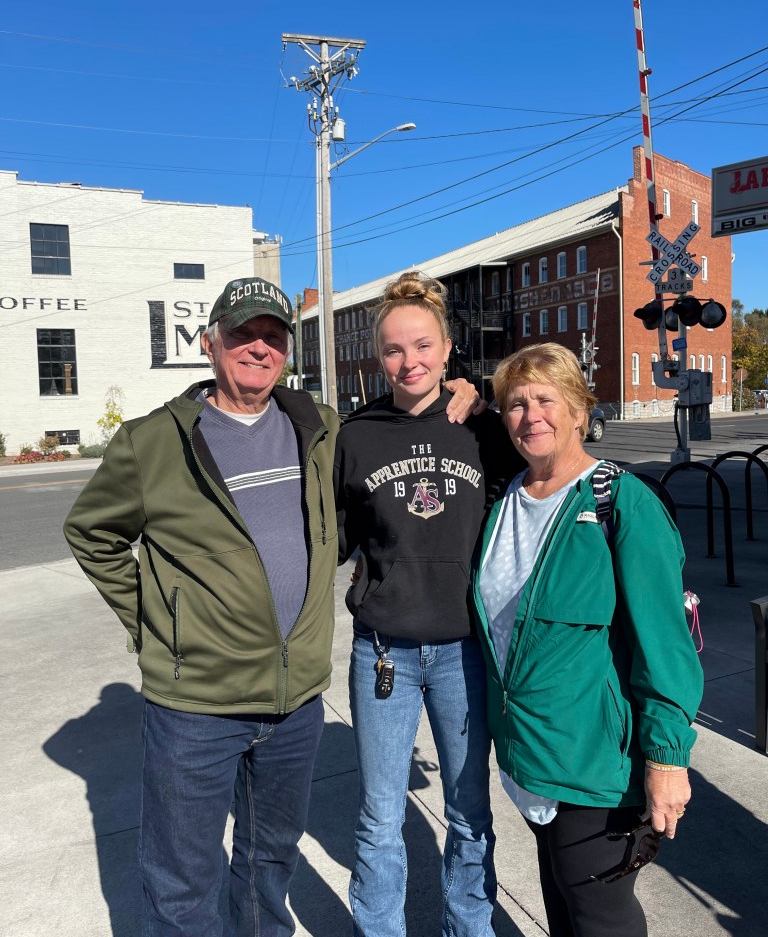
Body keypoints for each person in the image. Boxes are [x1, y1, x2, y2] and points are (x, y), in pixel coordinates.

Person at [63, 275, 480, 937]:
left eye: (273, 337)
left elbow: (400, 427)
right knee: (181, 883)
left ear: (287, 351)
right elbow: (92, 533)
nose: (258, 348)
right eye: (242, 334)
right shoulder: (153, 442)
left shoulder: (319, 429)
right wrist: (156, 619)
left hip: (295, 704)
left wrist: (467, 389)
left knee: (269, 865)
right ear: (210, 344)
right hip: (198, 704)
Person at [471, 342, 704, 937]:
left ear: (580, 410)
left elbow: (664, 645)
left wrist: (667, 759)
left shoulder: (620, 502)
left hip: (594, 763)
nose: (531, 416)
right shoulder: (505, 500)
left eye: (546, 400)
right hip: (530, 755)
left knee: (600, 917)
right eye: (516, 404)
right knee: (563, 907)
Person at [334, 271, 524, 937]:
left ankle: (468, 928)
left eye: (422, 346)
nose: (408, 361)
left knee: (470, 812)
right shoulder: (356, 435)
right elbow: (333, 535)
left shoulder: (481, 428)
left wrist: (482, 398)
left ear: (447, 350)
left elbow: (534, 495)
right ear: (377, 356)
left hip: (463, 652)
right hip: (382, 650)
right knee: (380, 816)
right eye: (393, 349)